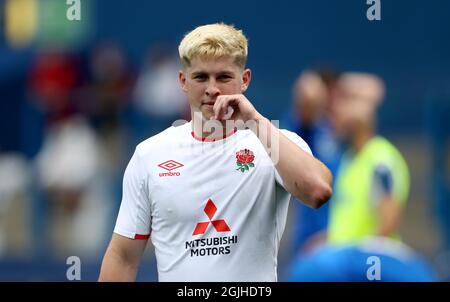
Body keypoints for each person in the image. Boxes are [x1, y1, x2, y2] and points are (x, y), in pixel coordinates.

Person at [99, 23, 332, 282]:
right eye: (200, 77)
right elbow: (123, 256)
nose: (212, 88)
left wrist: (254, 120)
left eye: (223, 77)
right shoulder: (149, 154)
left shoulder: (274, 143)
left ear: (245, 80)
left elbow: (318, 191)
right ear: (183, 81)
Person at [327, 72, 410, 244]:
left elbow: (387, 224)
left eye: (342, 104)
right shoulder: (349, 159)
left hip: (367, 268)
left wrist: (357, 260)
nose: (333, 115)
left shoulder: (380, 160)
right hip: (345, 267)